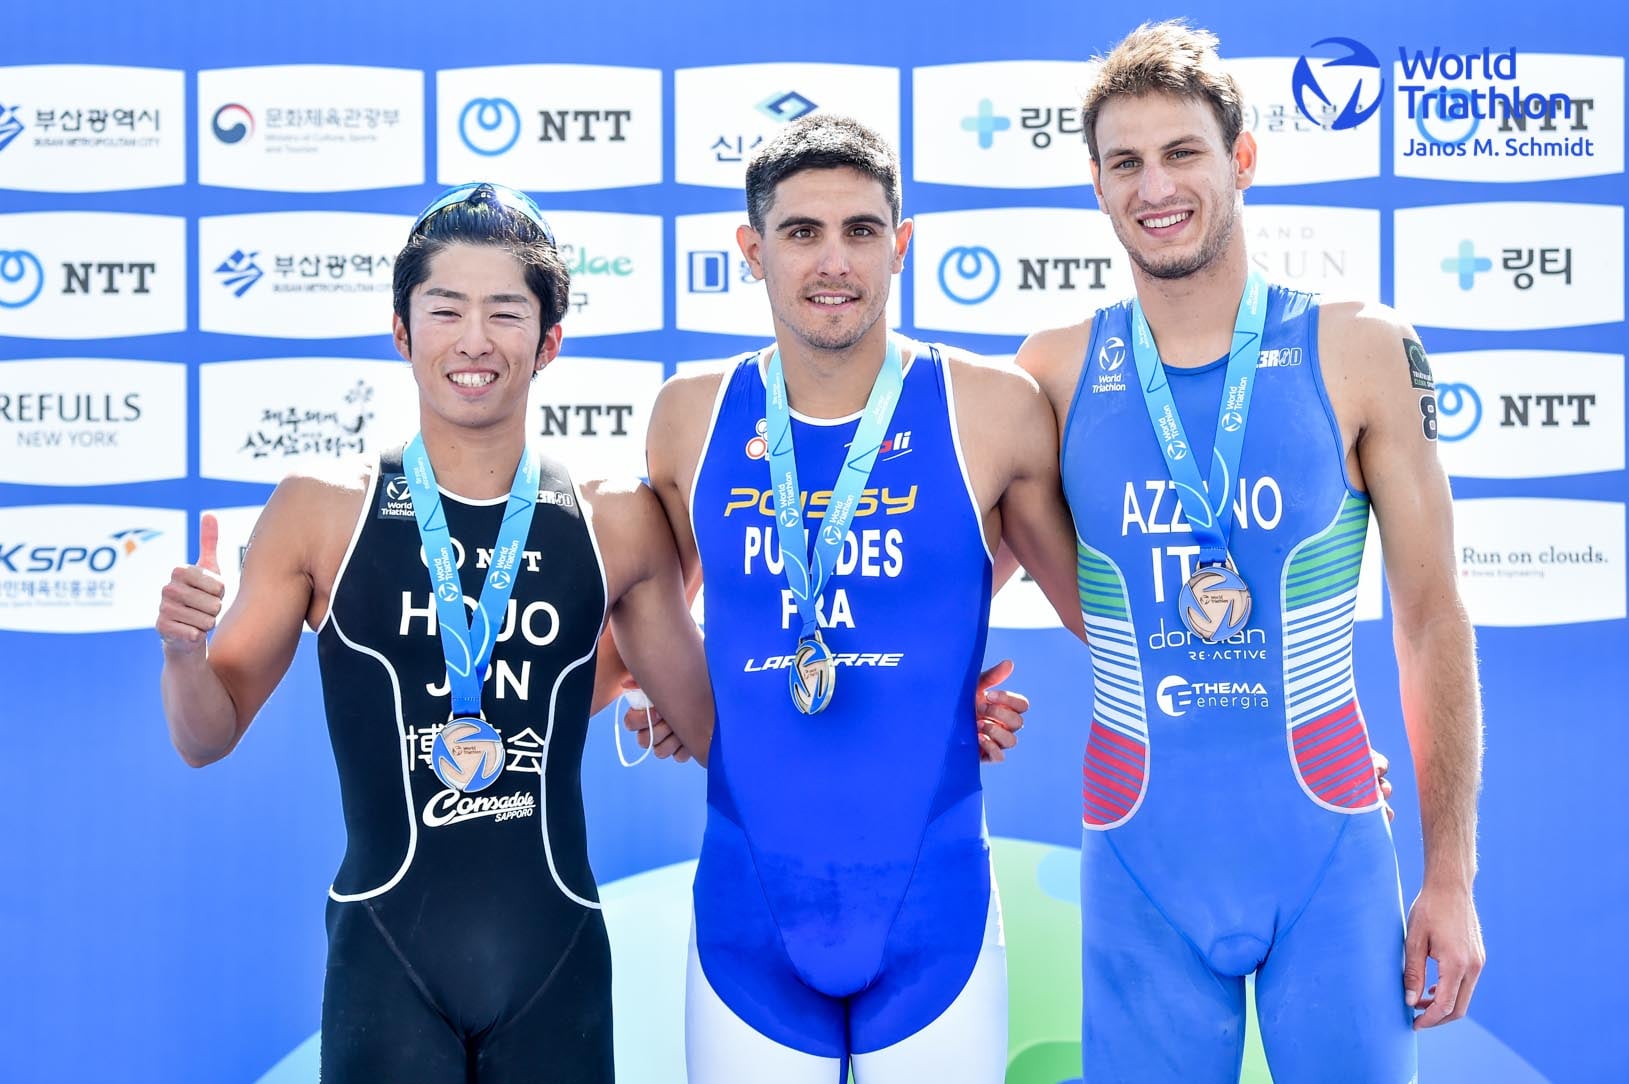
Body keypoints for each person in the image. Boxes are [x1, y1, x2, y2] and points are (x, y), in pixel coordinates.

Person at [155, 182, 714, 1084]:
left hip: (555, 957)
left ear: (549, 342)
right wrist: (184, 652)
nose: (474, 340)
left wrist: (923, 707)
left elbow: (712, 723)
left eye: (504, 313)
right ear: (402, 332)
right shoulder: (319, 512)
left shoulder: (615, 520)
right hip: (386, 957)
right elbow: (205, 737)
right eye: (445, 310)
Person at [1015, 21, 1486, 1081]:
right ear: (1095, 185)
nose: (1156, 187)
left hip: (1326, 847)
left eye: (1183, 152)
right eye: (1125, 162)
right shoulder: (1048, 372)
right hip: (1139, 857)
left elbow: (1429, 616)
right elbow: (938, 586)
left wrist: (1449, 876)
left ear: (1242, 160)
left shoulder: (1361, 348)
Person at [635, 115, 1083, 1082]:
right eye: (800, 232)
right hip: (748, 915)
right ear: (751, 251)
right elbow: (646, 616)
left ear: (902, 243)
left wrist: (1293, 723)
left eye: (861, 231)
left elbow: (1111, 620)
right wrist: (662, 698)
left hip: (936, 909)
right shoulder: (689, 416)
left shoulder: (990, 407)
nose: (833, 261)